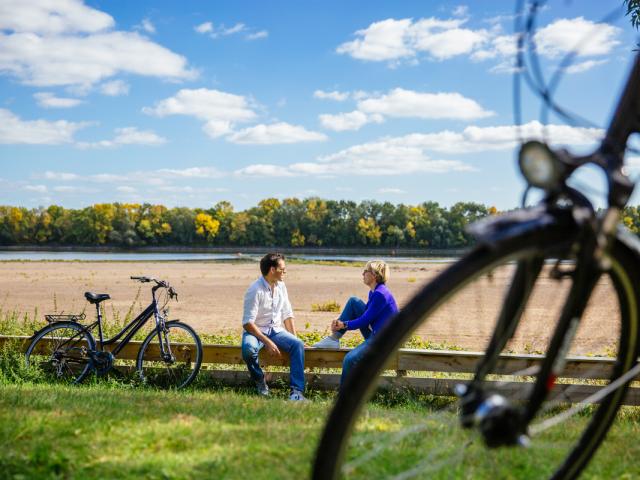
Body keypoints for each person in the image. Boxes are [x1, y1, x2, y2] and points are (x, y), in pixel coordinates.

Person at [313, 260, 398, 387]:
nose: (362, 274)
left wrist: (343, 324)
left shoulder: (381, 294)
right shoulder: (374, 292)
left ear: (374, 275)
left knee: (349, 360)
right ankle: (334, 339)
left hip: (383, 340)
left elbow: (364, 320)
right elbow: (365, 317)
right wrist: (342, 324)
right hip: (376, 333)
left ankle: (344, 397)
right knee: (354, 302)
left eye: (365, 271)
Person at [241, 252, 306, 401]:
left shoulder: (281, 286)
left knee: (298, 345)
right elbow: (247, 323)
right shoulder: (254, 290)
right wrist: (267, 342)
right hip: (255, 332)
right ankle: (260, 381)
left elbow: (287, 314)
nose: (285, 272)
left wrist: (294, 338)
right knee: (248, 350)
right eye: (282, 269)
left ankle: (296, 393)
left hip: (276, 330)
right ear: (272, 270)